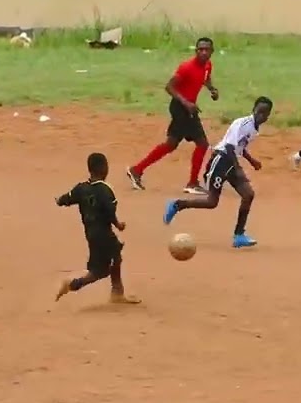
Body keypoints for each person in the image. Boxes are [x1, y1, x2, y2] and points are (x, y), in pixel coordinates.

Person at [163, 96, 272, 249]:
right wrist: (238, 169)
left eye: (264, 113)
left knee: (248, 195)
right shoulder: (242, 123)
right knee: (212, 202)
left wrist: (251, 160)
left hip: (231, 162)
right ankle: (177, 205)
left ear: (268, 116)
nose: (261, 115)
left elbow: (239, 147)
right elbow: (229, 146)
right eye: (259, 111)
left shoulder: (254, 129)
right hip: (220, 161)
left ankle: (239, 235)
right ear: (253, 109)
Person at [126, 36, 219, 194]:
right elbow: (169, 87)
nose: (203, 52)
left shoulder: (207, 65)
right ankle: (192, 183)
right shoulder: (186, 67)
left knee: (171, 144)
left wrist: (212, 89)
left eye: (207, 50)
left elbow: (206, 78)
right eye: (200, 49)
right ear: (196, 51)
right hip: (180, 108)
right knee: (202, 144)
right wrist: (186, 103)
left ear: (212, 51)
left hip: (189, 108)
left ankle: (137, 170)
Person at [55, 153, 141, 304]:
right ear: (104, 169)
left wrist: (59, 201)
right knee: (104, 268)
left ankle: (116, 291)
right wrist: (118, 224)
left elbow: (66, 198)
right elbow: (109, 211)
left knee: (112, 260)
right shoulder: (105, 189)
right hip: (104, 233)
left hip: (91, 234)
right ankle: (75, 284)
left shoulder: (81, 188)